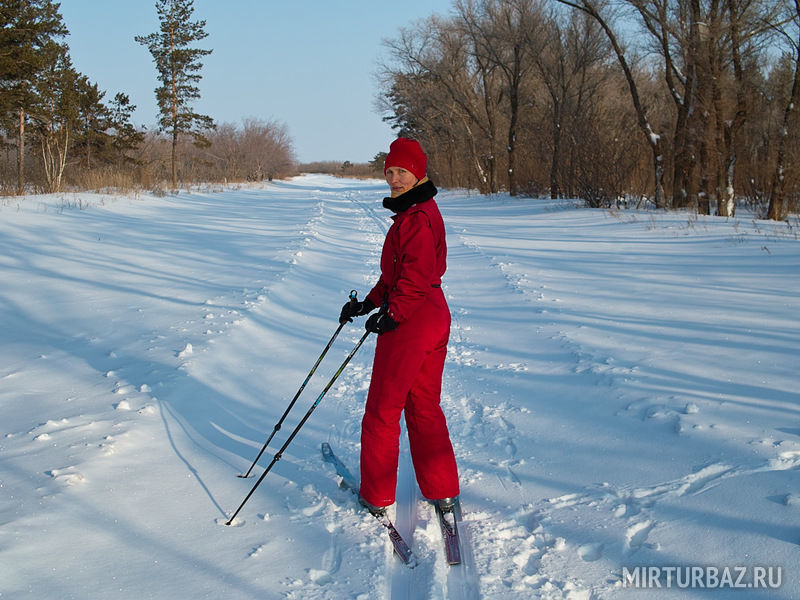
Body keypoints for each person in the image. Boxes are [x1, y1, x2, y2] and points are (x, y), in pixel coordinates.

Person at [339, 137, 460, 516]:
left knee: (382, 412)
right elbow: (399, 273)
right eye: (389, 171)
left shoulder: (417, 218)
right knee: (423, 406)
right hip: (431, 314)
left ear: (418, 173)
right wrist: (369, 303)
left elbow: (414, 278)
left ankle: (376, 496)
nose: (394, 179)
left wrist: (394, 314)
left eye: (401, 172)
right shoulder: (418, 211)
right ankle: (442, 489)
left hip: (414, 320)